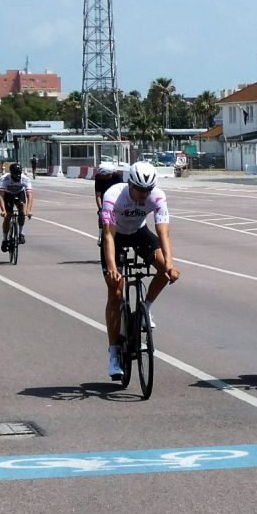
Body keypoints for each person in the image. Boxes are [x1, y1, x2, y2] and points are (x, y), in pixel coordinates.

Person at [99, 161, 178, 381]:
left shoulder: (157, 196)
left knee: (164, 269)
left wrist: (169, 264)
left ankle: (146, 307)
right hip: (116, 237)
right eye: (140, 190)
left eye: (148, 191)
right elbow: (108, 236)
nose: (144, 195)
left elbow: (164, 233)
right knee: (115, 289)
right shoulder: (113, 196)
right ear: (130, 184)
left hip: (140, 233)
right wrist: (113, 268)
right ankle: (114, 353)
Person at [0, 162, 34, 251]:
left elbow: (30, 196)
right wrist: (3, 210)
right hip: (8, 194)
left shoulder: (25, 179)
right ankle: (5, 239)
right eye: (15, 174)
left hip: (19, 193)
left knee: (22, 211)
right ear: (11, 173)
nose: (17, 176)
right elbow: (1, 195)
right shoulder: (4, 179)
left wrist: (28, 210)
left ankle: (21, 233)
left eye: (19, 174)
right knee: (8, 216)